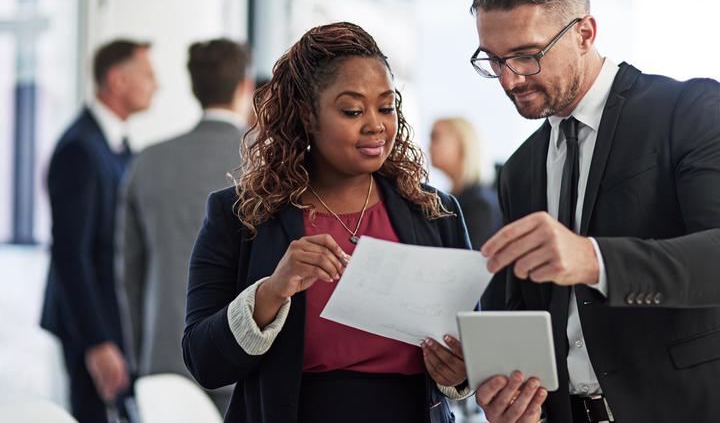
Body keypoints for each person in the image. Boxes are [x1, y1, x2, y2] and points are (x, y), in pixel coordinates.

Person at [468, 0, 720, 423]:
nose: (508, 80)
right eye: (494, 60)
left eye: (526, 56)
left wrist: (594, 259)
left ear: (585, 33)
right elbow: (527, 314)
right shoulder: (520, 169)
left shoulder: (687, 111)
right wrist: (509, 395)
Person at [182, 22, 473, 423]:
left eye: (386, 107)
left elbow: (471, 347)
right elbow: (204, 362)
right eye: (352, 110)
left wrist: (460, 371)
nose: (375, 125)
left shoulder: (436, 213)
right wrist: (271, 291)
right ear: (307, 116)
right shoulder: (241, 215)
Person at [115, 39, 252, 412]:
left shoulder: (149, 161)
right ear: (244, 86)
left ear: (193, 87)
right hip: (244, 354)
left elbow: (129, 270)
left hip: (164, 357)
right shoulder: (266, 159)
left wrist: (140, 354)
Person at [40, 39, 157, 422]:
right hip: (90, 325)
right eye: (147, 74)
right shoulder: (80, 149)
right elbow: (70, 254)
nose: (156, 84)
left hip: (114, 321)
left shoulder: (118, 145)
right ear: (117, 80)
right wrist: (98, 342)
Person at [430, 117, 502, 250]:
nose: (429, 146)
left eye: (435, 137)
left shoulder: (480, 205)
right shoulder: (453, 198)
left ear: (461, 143)